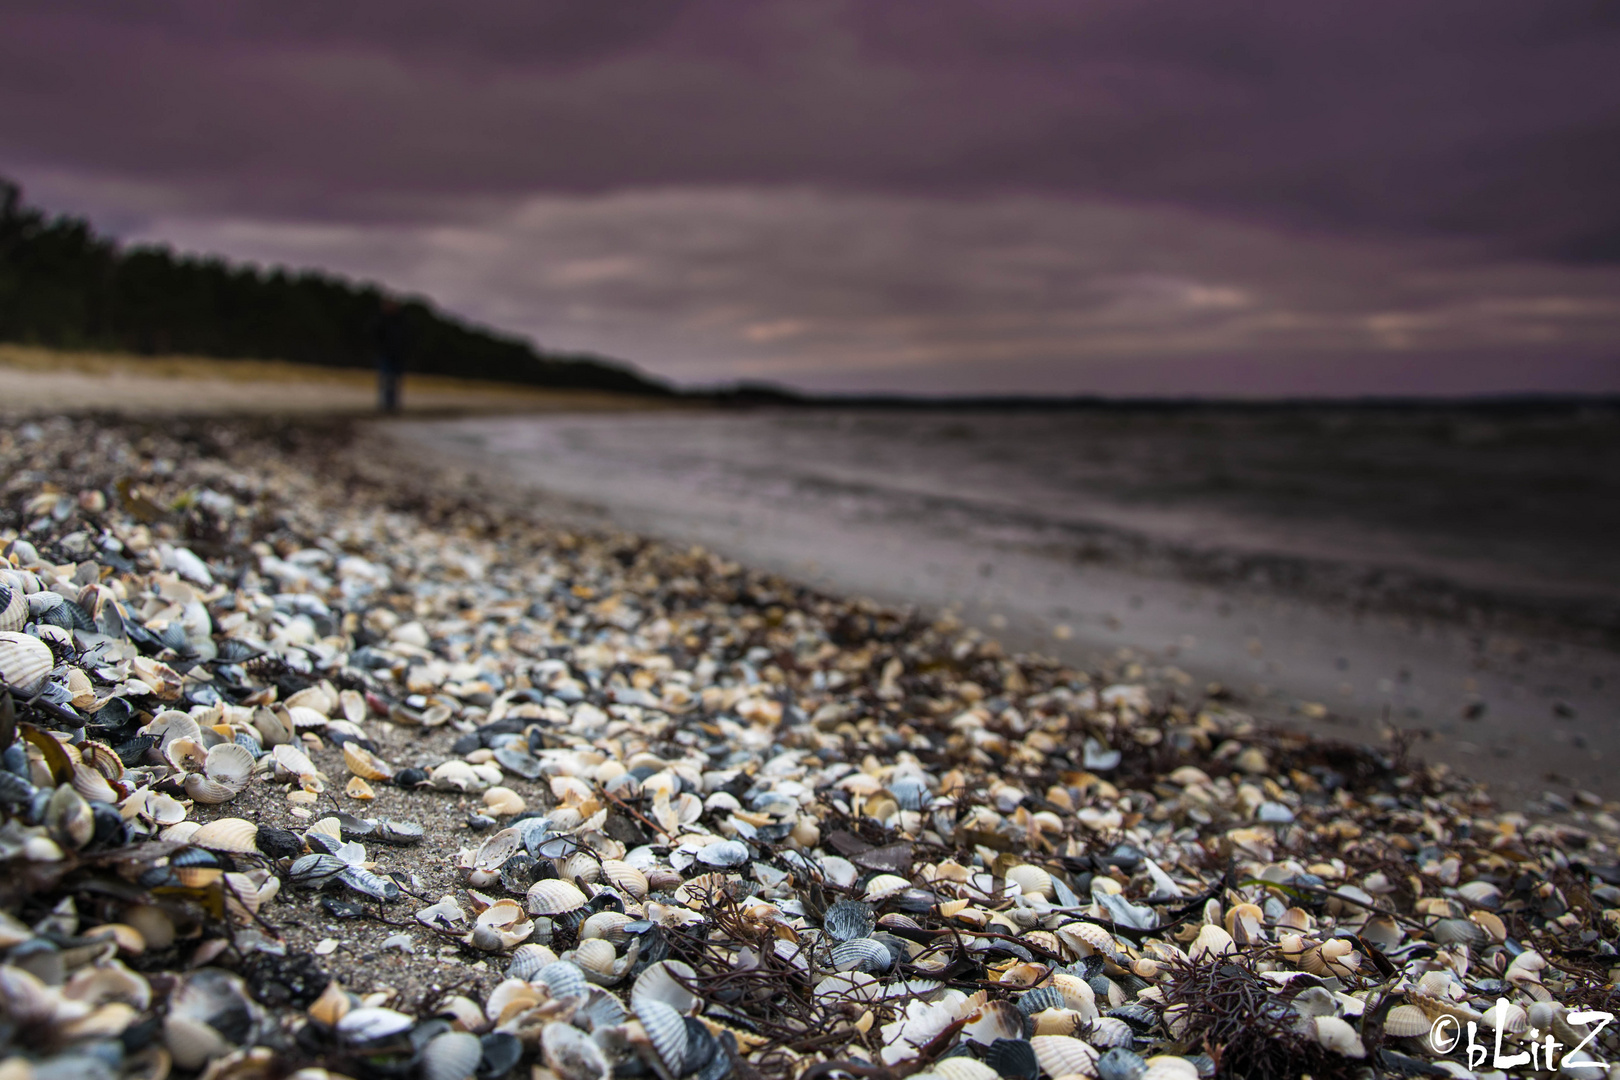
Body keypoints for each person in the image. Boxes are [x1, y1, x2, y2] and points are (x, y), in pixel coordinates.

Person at [372, 298, 409, 413]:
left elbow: (407, 338)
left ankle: (393, 404)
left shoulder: (401, 322)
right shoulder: (381, 320)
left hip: (398, 356)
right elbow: (375, 336)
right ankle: (385, 404)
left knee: (395, 381)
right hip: (386, 355)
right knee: (386, 379)